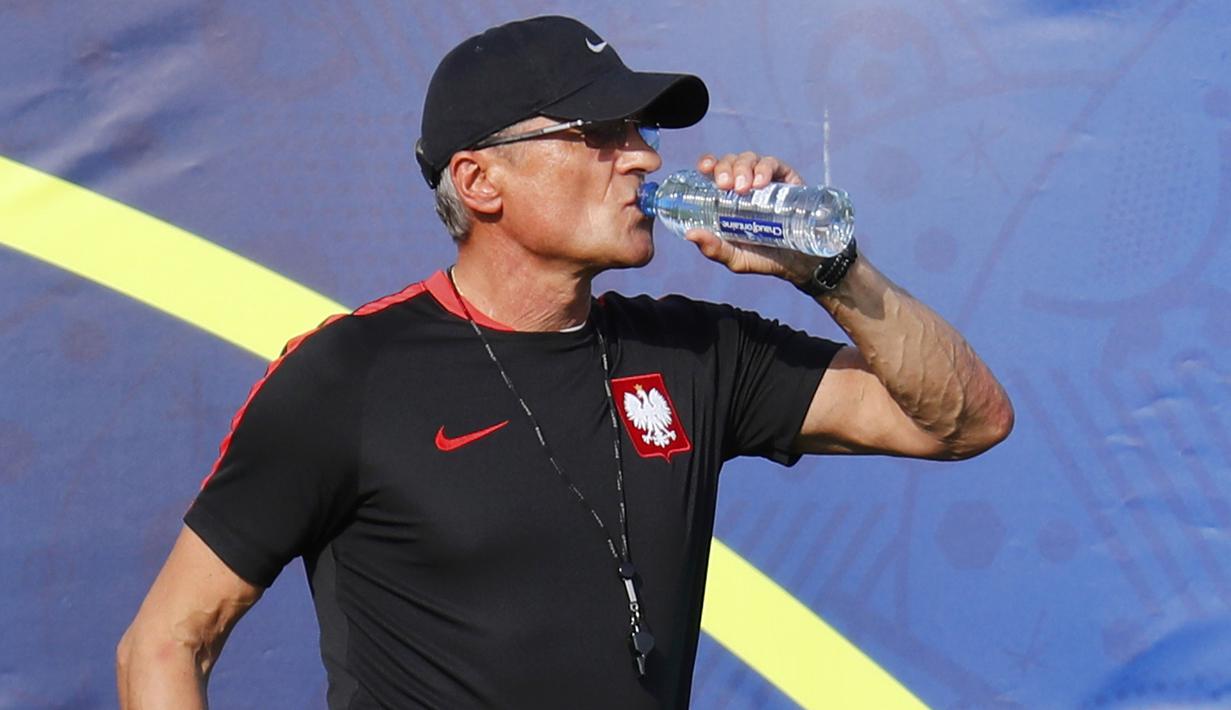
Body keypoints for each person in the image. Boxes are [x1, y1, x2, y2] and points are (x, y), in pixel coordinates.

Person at [116, 15, 1013, 710]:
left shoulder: (692, 350)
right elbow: (164, 643)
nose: (645, 159)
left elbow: (966, 422)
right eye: (601, 132)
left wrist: (830, 268)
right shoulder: (352, 374)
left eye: (641, 131)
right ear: (479, 182)